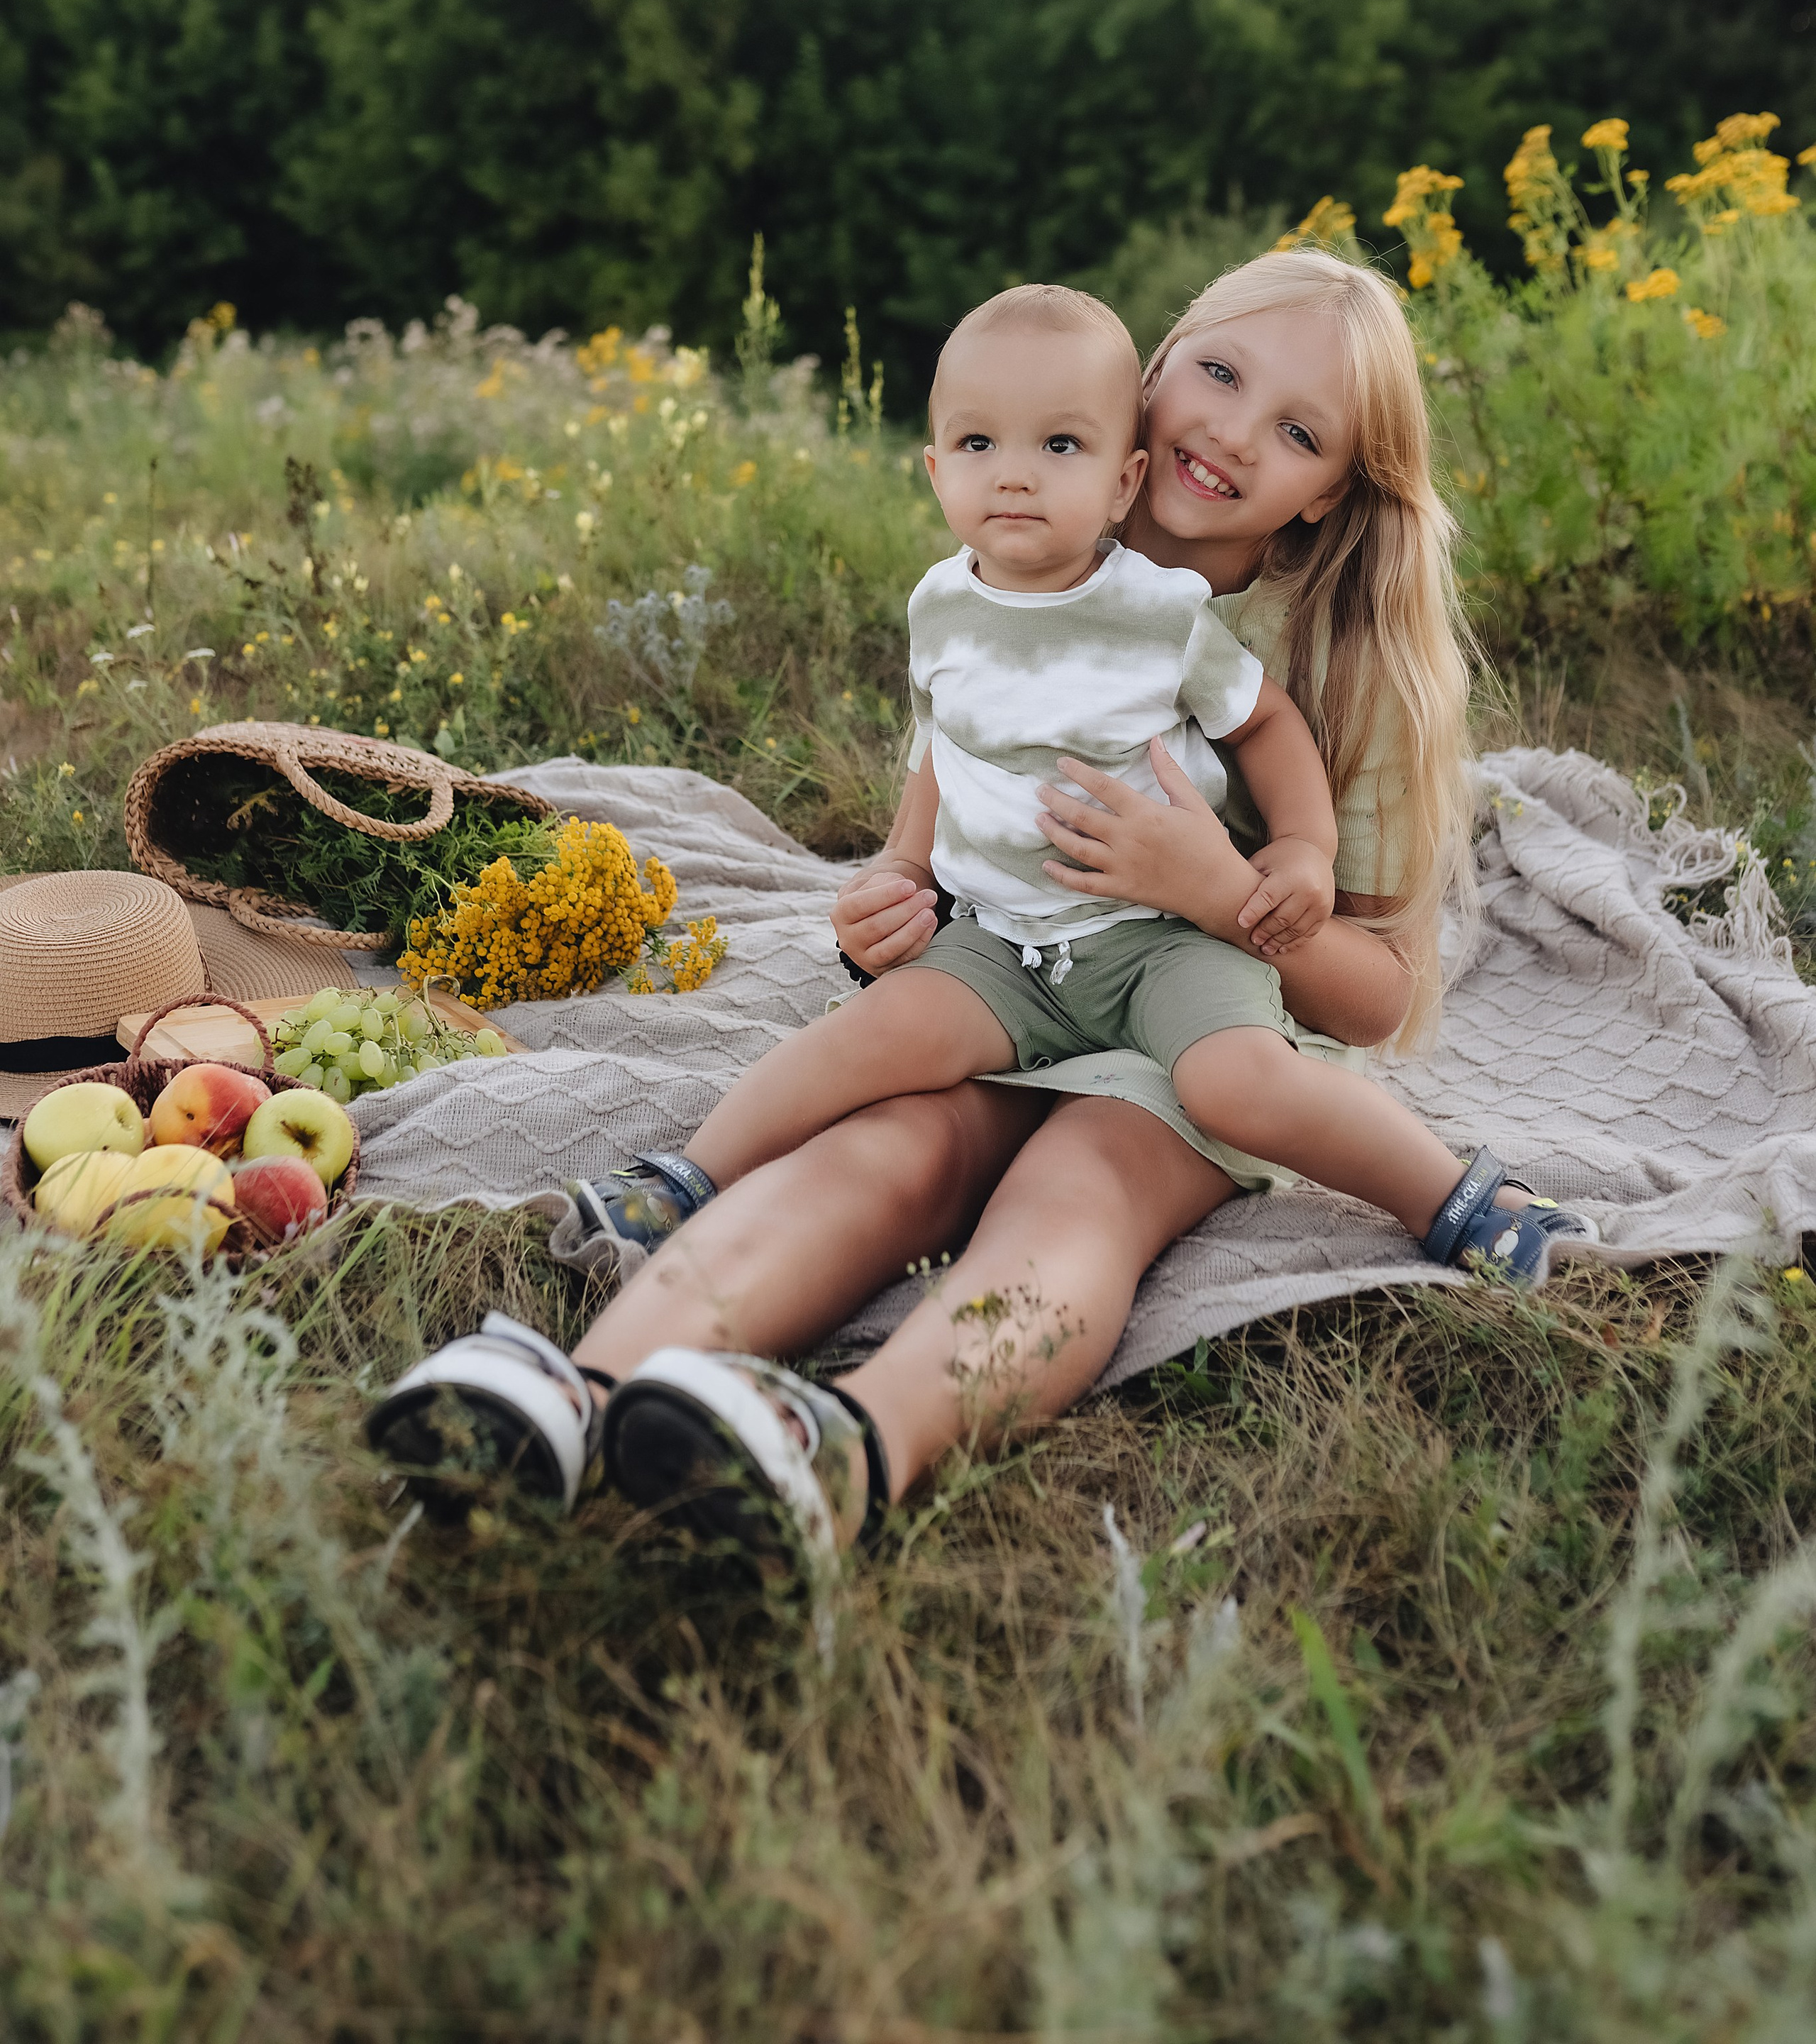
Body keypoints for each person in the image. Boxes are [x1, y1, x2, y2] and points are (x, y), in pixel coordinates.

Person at [369, 253, 1593, 1569]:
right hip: (1013, 974)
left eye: (1299, 430)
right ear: (1155, 366)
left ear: (1326, 498)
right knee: (875, 1155)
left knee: (1076, 1195)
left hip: (1206, 1033)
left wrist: (1223, 890)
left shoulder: (1345, 663)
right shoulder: (1029, 522)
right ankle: (582, 1391)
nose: (1235, 430)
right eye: (1222, 373)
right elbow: (954, 774)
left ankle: (849, 1449)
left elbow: (1380, 994)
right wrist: (894, 895)